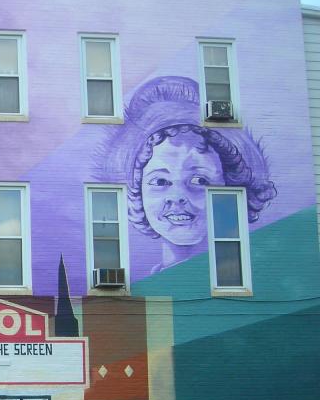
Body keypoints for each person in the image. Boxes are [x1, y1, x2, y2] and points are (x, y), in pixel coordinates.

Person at [95, 76, 276, 272]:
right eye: (160, 181)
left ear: (232, 190)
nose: (177, 197)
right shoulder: (149, 288)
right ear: (136, 195)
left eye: (199, 180)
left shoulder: (265, 271)